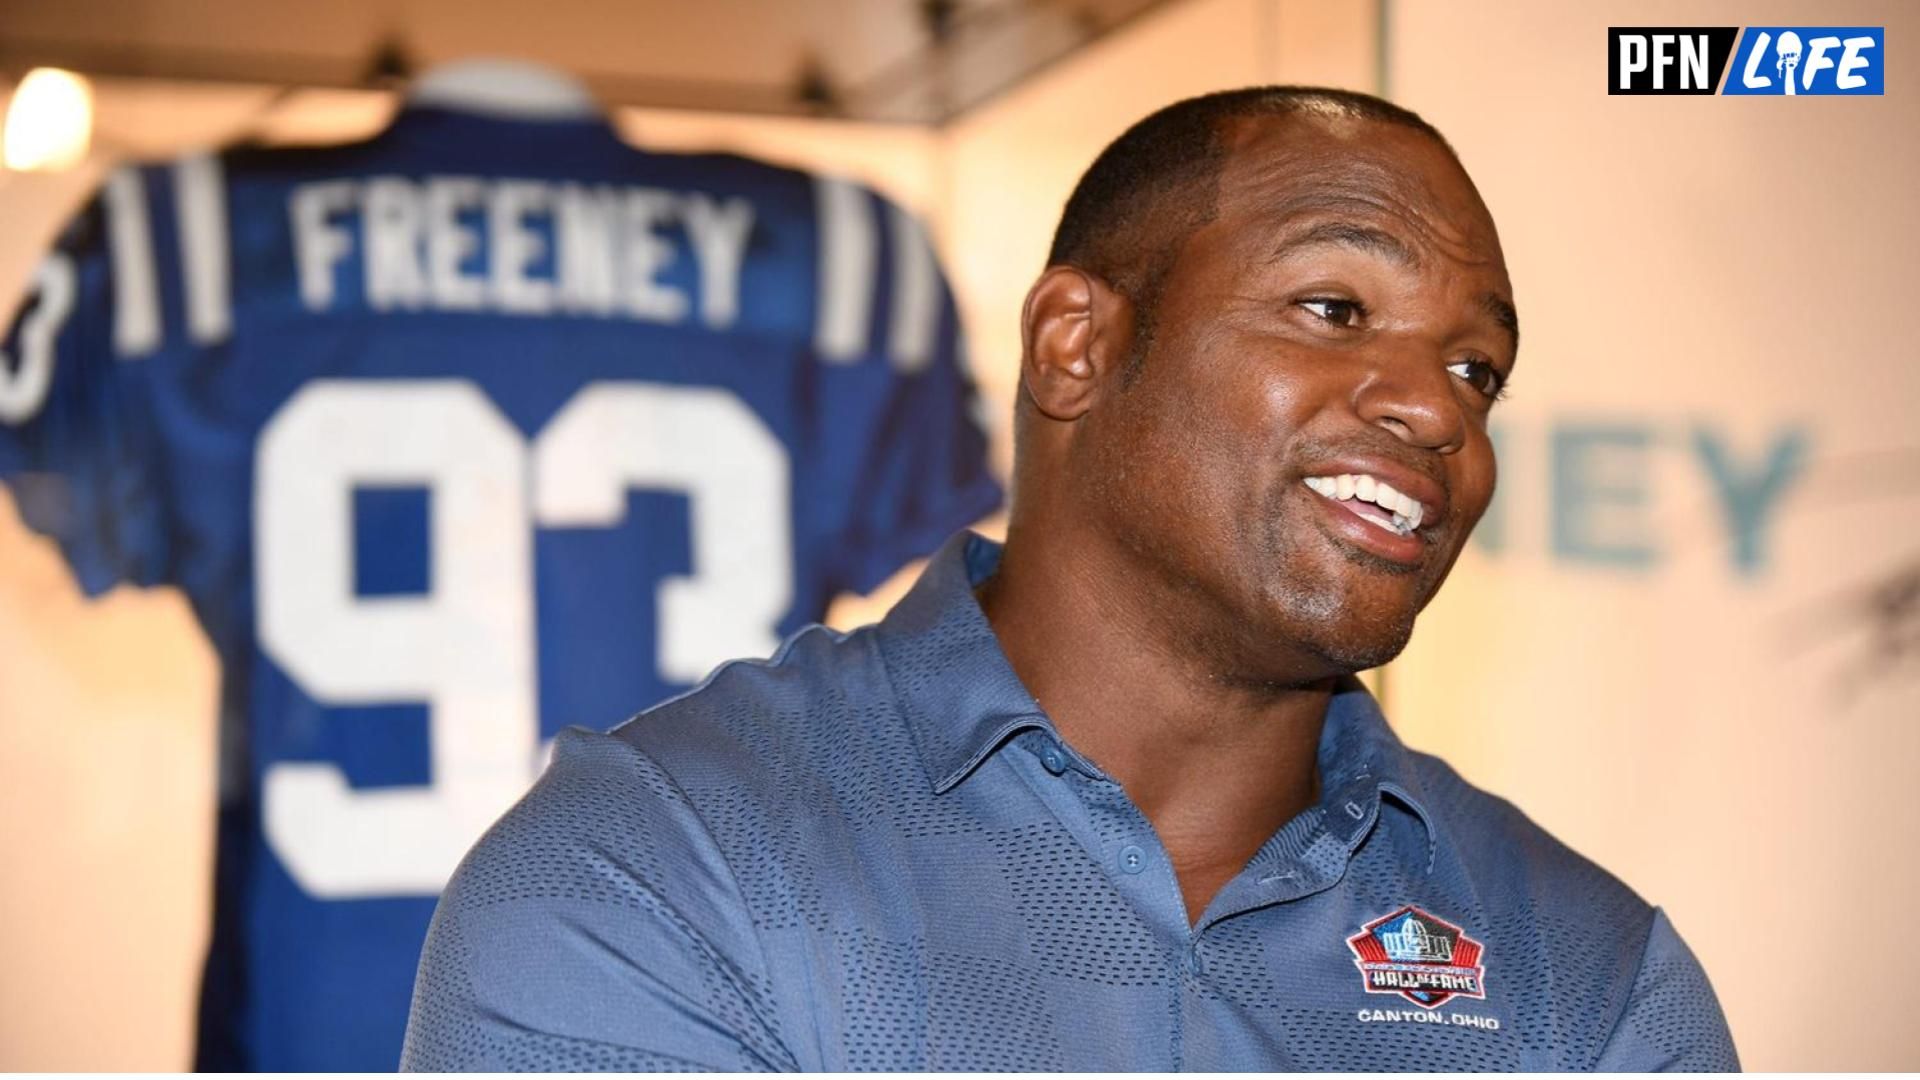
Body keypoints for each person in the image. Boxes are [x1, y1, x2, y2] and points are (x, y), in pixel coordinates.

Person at [401, 86, 1738, 1071]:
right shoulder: (660, 871)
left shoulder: (1588, 977)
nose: (1439, 413)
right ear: (1078, 346)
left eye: (1477, 371)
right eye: (1335, 310)